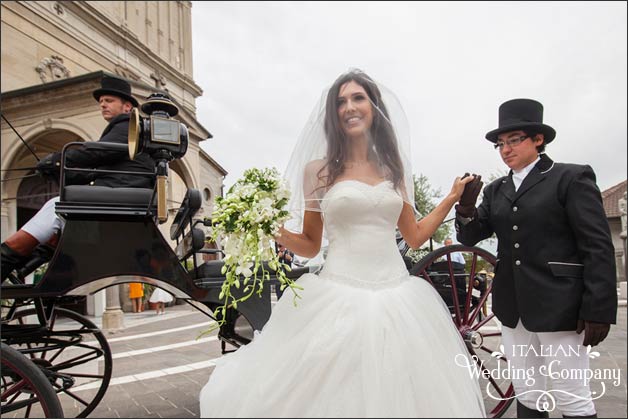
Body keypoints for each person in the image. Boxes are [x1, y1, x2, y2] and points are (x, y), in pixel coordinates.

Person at [199, 69, 485, 417]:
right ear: (333, 114)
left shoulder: (394, 170)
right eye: (341, 101)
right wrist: (269, 228)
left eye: (358, 98)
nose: (349, 106)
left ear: (373, 107)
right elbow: (308, 244)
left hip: (399, 296)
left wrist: (451, 197)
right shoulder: (318, 172)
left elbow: (414, 236)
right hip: (338, 294)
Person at [455, 98, 617, 418]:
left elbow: (597, 246)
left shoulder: (570, 178)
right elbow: (471, 236)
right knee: (529, 395)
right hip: (513, 307)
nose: (505, 149)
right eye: (500, 143)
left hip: (560, 304)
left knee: (573, 396)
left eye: (514, 140)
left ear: (538, 139)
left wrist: (599, 307)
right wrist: (465, 209)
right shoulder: (496, 190)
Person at [1, 75, 155, 281]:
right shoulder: (123, 128)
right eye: (101, 102)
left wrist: (57, 159)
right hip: (120, 192)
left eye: (109, 101)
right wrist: (63, 171)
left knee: (56, 207)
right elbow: (96, 169)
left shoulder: (128, 124)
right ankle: (24, 268)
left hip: (123, 196)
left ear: (127, 106)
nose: (103, 105)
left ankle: (6, 258)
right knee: (62, 216)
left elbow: (96, 153)